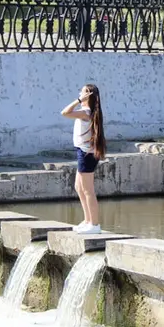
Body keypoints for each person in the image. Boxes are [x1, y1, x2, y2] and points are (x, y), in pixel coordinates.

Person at [60, 84, 107, 234]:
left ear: (87, 95)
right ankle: (88, 221)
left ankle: (94, 225)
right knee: (79, 187)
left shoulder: (86, 111)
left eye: (82, 91)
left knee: (88, 190)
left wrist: (79, 100)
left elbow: (64, 112)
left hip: (87, 154)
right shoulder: (88, 111)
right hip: (82, 151)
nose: (79, 92)